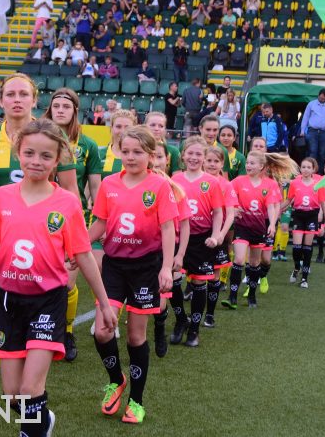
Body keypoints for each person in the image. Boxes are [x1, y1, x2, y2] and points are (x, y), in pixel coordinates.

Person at [0, 119, 115, 435]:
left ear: (58, 159)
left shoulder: (67, 202)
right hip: (10, 302)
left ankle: (33, 430)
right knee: (12, 395)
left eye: (46, 156)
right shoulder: (3, 197)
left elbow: (82, 255)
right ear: (19, 153)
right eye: (30, 153)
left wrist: (104, 304)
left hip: (48, 301)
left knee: (30, 388)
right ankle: (41, 420)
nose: (36, 161)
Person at [0, 73, 77, 425]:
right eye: (11, 94)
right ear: (1, 100)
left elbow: (69, 190)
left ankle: (34, 389)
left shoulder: (47, 137)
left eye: (24, 93)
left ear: (34, 99)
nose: (17, 99)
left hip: (41, 248)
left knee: (20, 323)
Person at [89, 126, 176, 424]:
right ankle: (116, 379)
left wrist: (166, 267)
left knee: (136, 335)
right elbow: (100, 223)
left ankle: (136, 402)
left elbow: (168, 228)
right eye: (125, 151)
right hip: (113, 265)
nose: (130, 157)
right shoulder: (109, 184)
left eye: (137, 152)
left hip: (145, 268)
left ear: (151, 155)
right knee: (102, 330)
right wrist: (77, 246)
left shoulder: (160, 186)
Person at [42, 89, 103, 361]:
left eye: (66, 106)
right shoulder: (40, 135)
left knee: (66, 282)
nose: (61, 110)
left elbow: (95, 188)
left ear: (75, 111)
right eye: (56, 105)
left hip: (70, 220)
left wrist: (93, 226)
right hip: (37, 218)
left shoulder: (88, 146)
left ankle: (65, 331)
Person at [169, 137, 225, 347]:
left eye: (198, 154)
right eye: (189, 153)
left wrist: (216, 235)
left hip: (202, 239)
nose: (193, 158)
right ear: (182, 155)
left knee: (199, 282)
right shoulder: (174, 178)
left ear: (204, 157)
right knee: (173, 280)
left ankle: (194, 329)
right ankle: (180, 320)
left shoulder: (212, 182)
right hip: (177, 237)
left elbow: (218, 212)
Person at [221, 152, 293, 309]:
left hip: (259, 228)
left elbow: (272, 206)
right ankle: (232, 297)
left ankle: (252, 295)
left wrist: (272, 224)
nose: (248, 166)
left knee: (254, 263)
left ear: (261, 166)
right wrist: (234, 207)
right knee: (239, 259)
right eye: (247, 162)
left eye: (252, 163)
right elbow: (227, 194)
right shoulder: (238, 181)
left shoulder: (270, 184)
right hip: (242, 227)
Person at [150, 141, 189, 357]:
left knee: (162, 294)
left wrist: (180, 253)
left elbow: (184, 224)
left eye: (159, 157)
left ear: (167, 160)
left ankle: (159, 328)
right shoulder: (138, 183)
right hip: (141, 249)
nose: (155, 162)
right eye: (152, 156)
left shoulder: (175, 188)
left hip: (166, 248)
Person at [201, 146, 237, 326]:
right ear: (203, 161)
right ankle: (194, 314)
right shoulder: (196, 180)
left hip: (217, 235)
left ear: (222, 164)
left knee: (214, 274)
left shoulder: (226, 185)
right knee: (195, 276)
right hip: (197, 234)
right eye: (209, 160)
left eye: (216, 161)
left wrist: (221, 234)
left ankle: (210, 314)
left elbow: (230, 213)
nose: (212, 164)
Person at [282, 158, 325, 289]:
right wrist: (277, 209)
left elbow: (322, 202)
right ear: (300, 169)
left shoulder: (318, 183)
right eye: (303, 167)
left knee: (307, 248)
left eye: (308, 167)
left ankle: (304, 279)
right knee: (296, 248)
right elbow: (289, 200)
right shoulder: (295, 183)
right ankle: (297, 267)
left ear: (313, 169)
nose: (306, 169)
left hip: (312, 215)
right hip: (299, 215)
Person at [301, 89, 325, 173]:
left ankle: (320, 173)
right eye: (321, 98)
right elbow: (305, 117)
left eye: (324, 99)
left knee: (322, 153)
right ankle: (311, 172)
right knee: (312, 151)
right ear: (318, 96)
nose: (322, 100)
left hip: (324, 132)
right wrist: (302, 130)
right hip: (312, 131)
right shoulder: (311, 104)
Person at [100, 109, 136, 179]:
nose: (122, 131)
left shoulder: (141, 156)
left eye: (127, 127)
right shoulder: (98, 154)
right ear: (111, 128)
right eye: (118, 127)